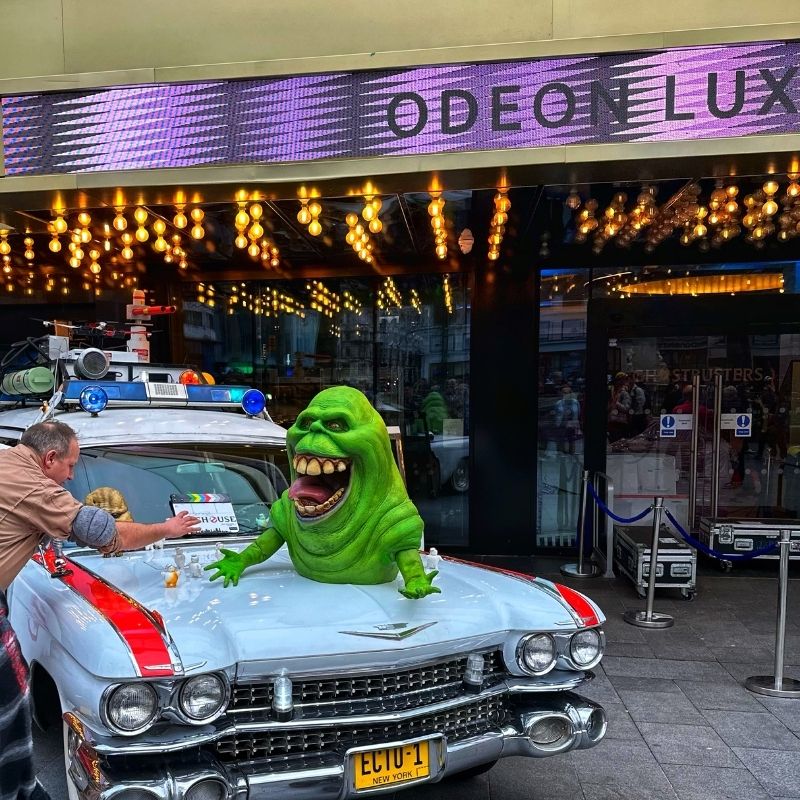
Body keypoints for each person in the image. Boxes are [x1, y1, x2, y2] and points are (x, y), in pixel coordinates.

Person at [0, 421, 200, 800]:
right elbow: (107, 534)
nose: (71, 476)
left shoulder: (6, 460)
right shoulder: (35, 488)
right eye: (70, 466)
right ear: (50, 458)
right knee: (8, 722)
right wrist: (167, 528)